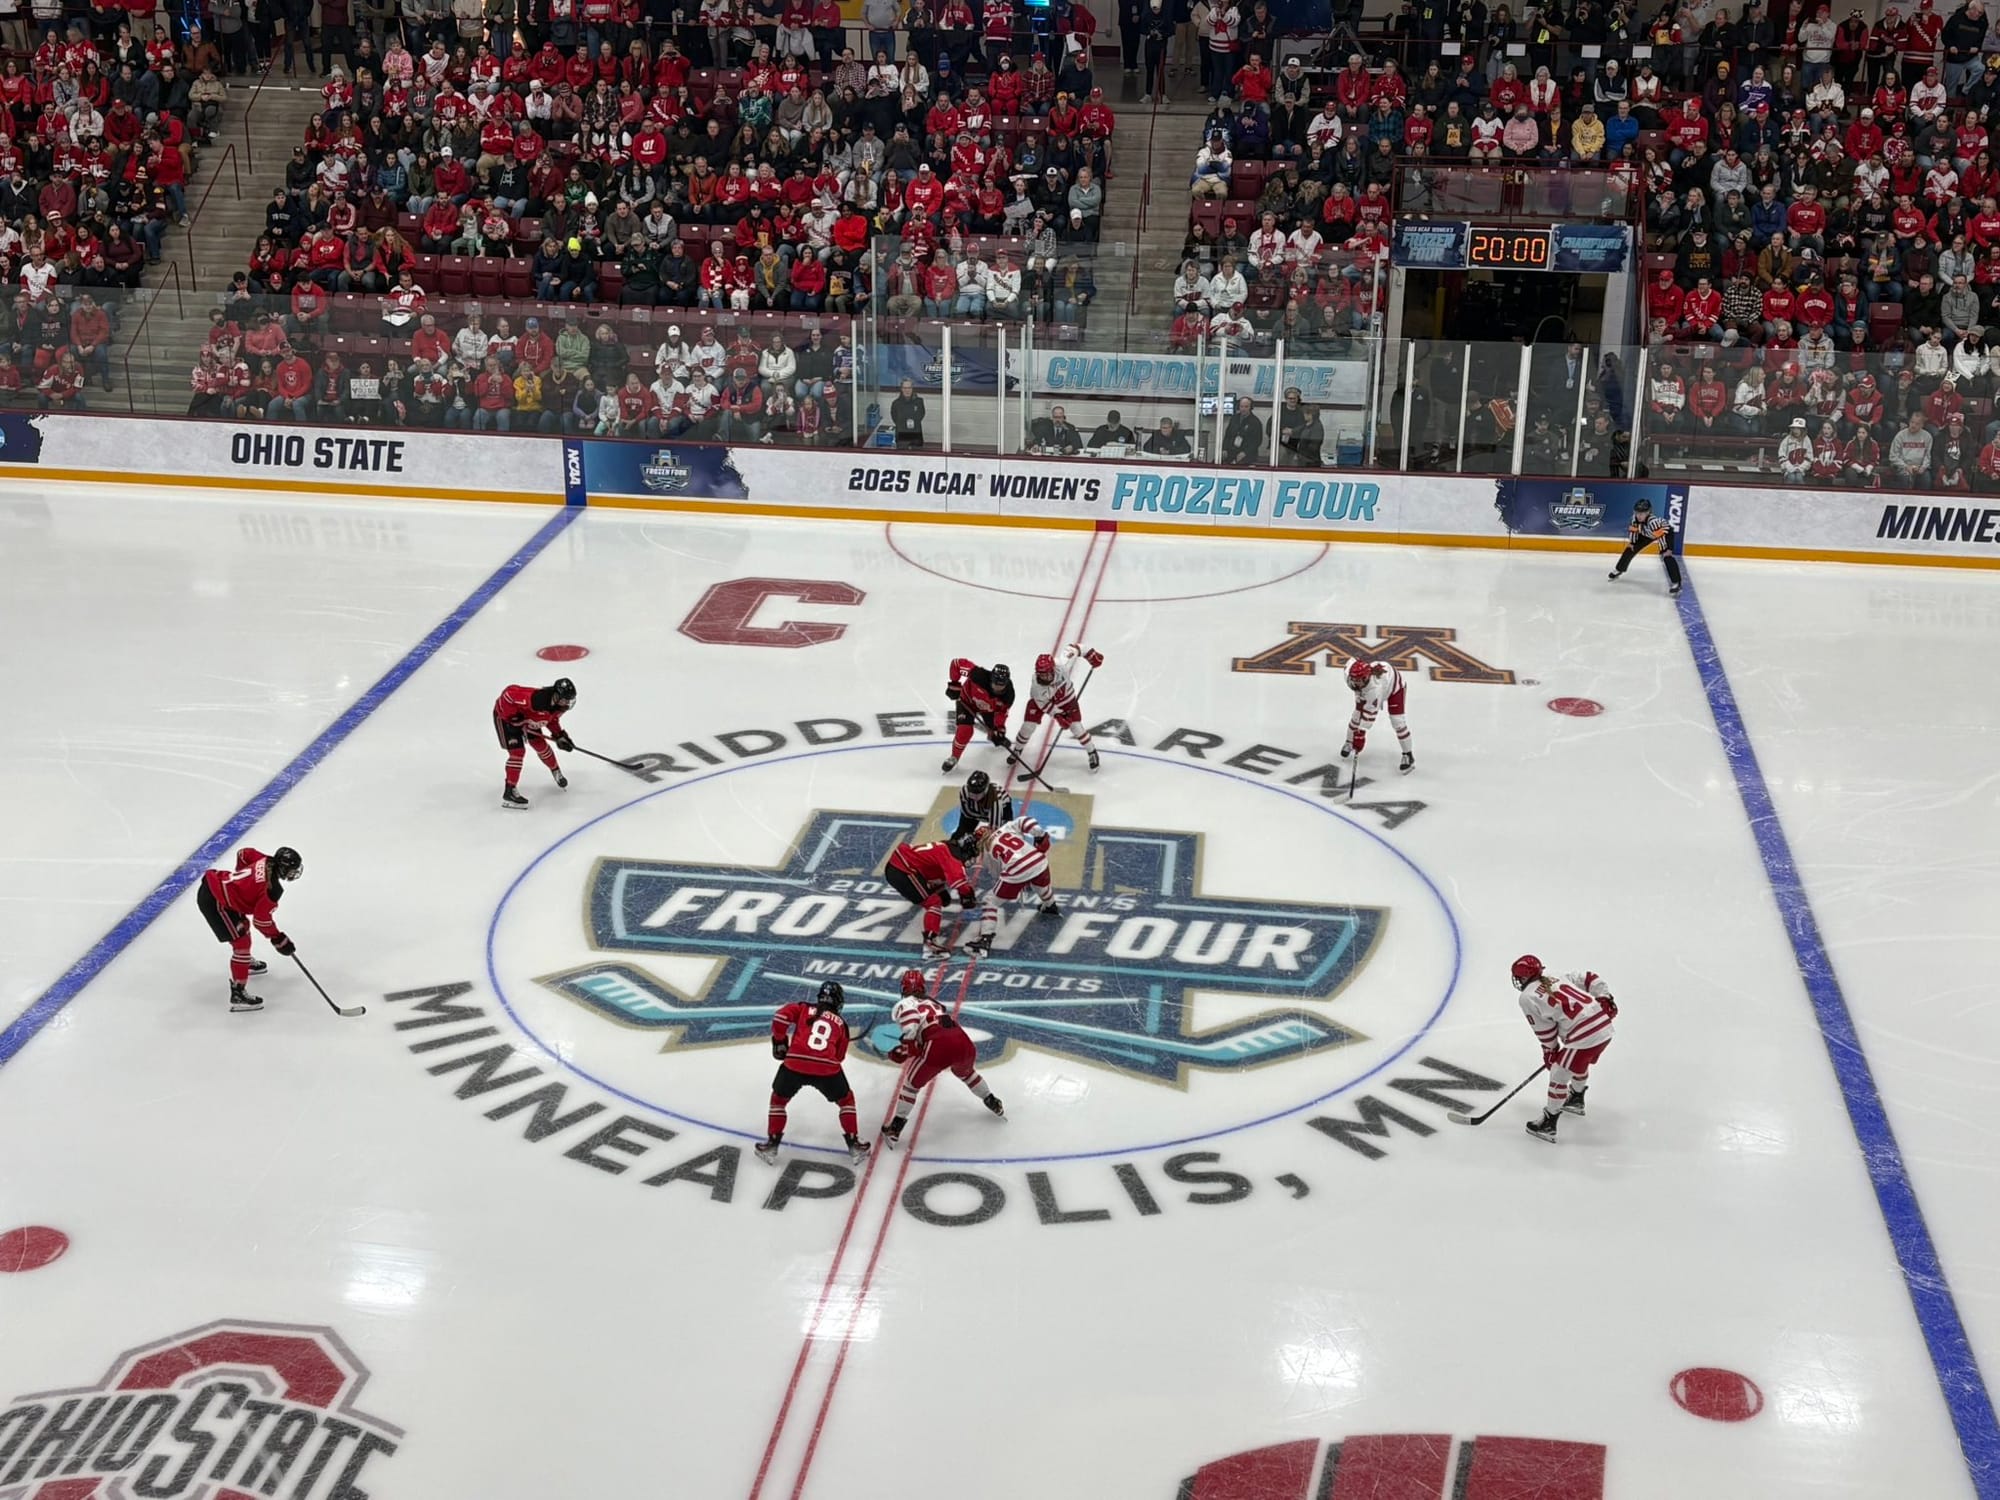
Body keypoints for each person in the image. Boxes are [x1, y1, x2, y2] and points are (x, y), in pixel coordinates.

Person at [880, 969, 1006, 1147]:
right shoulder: (934, 1003)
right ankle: (992, 1100)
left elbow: (911, 1028)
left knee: (910, 1086)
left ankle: (895, 1128)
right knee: (967, 1073)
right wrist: (907, 1048)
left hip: (938, 1044)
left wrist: (903, 1049)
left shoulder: (905, 1003)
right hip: (962, 1041)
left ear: (903, 988)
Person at [755, 980, 870, 1165]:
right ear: (838, 1001)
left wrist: (780, 1040)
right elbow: (839, 1057)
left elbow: (780, 1017)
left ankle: (771, 1145)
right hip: (826, 1067)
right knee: (846, 1101)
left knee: (778, 1100)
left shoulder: (802, 1008)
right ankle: (854, 1143)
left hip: (795, 1063)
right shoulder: (841, 1023)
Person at [1511, 955, 1617, 1143]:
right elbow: (1589, 978)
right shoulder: (1556, 975)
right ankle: (1576, 1098)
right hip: (1604, 1027)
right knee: (1576, 1062)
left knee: (1559, 1072)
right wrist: (1605, 997)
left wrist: (1550, 1051)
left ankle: (1548, 1122)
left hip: (1585, 1036)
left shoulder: (1527, 997)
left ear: (1524, 977)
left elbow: (1544, 1030)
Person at [196, 845, 304, 1013]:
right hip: (216, 902)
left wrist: (241, 886)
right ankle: (238, 994)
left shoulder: (266, 860)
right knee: (241, 944)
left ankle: (244, 962)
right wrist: (279, 939)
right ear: (283, 868)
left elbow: (244, 854)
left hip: (217, 885)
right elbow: (261, 921)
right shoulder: (272, 890)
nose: (293, 873)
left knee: (243, 928)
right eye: (291, 870)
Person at [963, 814, 1062, 956]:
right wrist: (1040, 835)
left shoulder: (985, 851)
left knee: (990, 901)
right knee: (1040, 884)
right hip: (1038, 859)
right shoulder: (1006, 828)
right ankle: (1050, 905)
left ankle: (985, 940)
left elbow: (998, 874)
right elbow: (1025, 820)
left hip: (1017, 869)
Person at [882, 828, 981, 959]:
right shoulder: (953, 859)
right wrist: (968, 895)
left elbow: (933, 870)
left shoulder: (947, 846)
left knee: (940, 897)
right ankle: (930, 946)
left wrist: (940, 890)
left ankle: (930, 943)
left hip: (901, 865)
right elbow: (961, 885)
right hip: (904, 870)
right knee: (934, 902)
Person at [1011, 644, 1103, 772]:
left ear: (1053, 669)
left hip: (1066, 700)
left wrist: (1091, 655)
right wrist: (1057, 715)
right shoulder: (1036, 687)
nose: (1044, 677)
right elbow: (1043, 704)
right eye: (1041, 674)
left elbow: (1075, 648)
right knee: (1028, 726)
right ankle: (1017, 750)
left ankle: (1092, 752)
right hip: (1043, 703)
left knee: (1076, 727)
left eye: (1046, 674)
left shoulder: (1062, 665)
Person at [493, 677, 576, 808]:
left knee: (540, 745)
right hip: (506, 720)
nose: (567, 703)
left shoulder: (557, 707)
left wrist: (560, 735)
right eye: (566, 700)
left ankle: (556, 771)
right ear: (556, 696)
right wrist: (512, 717)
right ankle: (510, 791)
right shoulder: (536, 699)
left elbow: (551, 720)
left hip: (529, 719)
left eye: (569, 700)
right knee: (517, 752)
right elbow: (508, 696)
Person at [942, 656, 1016, 772]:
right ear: (990, 679)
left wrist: (999, 729)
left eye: (1001, 685)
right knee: (965, 730)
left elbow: (1001, 713)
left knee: (995, 733)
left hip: (988, 710)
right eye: (995, 684)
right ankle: (954, 757)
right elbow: (956, 664)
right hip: (967, 702)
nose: (997, 688)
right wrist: (954, 684)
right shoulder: (978, 675)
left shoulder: (1008, 695)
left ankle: (995, 735)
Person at [1341, 657, 1414, 773]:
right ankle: (1349, 742)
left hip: (1395, 688)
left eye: (1358, 680)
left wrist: (1361, 733)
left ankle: (1408, 755)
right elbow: (1352, 660)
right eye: (1353, 679)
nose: (1355, 682)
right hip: (1365, 691)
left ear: (1366, 678)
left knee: (1397, 722)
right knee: (1356, 716)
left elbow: (1370, 714)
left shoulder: (1374, 689)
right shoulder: (1349, 674)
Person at [1607, 496, 1683, 594]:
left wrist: (1668, 549)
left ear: (1648, 513)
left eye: (1641, 513)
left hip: (1664, 533)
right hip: (1647, 533)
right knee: (1630, 549)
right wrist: (1632, 543)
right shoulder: (1634, 519)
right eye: (1637, 512)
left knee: (1667, 556)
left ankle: (1676, 582)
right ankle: (1619, 569)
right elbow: (1633, 531)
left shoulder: (1653, 522)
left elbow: (1661, 535)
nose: (1638, 515)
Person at [954, 768, 1014, 837]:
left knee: (1005, 833)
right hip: (976, 811)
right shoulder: (964, 792)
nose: (975, 797)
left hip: (1003, 809)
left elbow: (994, 830)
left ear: (986, 790)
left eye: (978, 794)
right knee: (961, 834)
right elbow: (966, 816)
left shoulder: (995, 800)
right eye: (972, 793)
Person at [890, 375, 926, 447]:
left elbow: (921, 415)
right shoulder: (896, 403)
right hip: (902, 435)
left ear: (912, 389)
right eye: (905, 388)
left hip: (916, 434)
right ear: (901, 389)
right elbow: (894, 418)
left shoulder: (919, 402)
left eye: (909, 388)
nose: (907, 390)